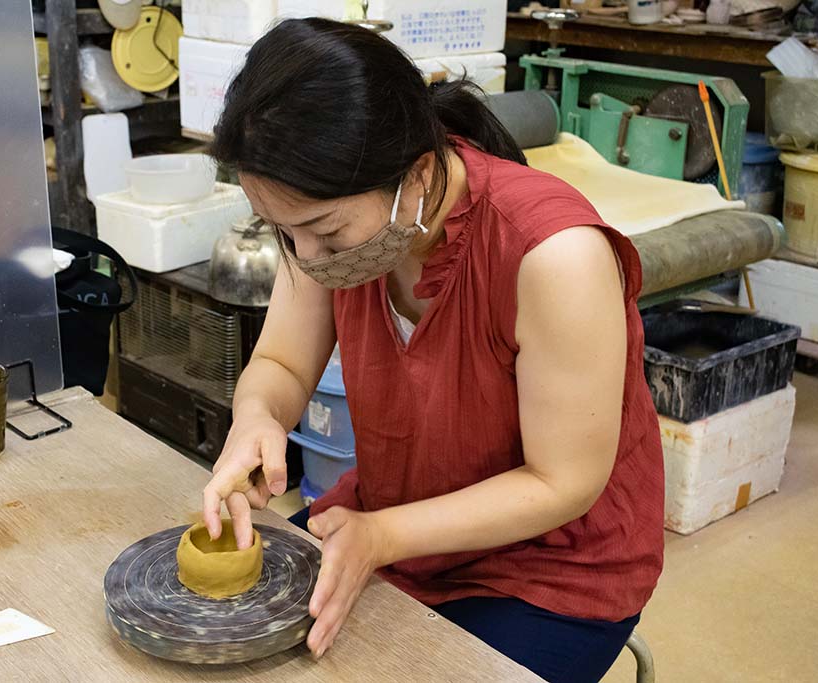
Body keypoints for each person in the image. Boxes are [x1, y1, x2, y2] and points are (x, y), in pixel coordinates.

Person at [199, 18, 664, 683]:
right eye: (285, 231)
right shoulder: (330, 236)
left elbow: (562, 482)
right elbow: (280, 365)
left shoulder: (555, 256)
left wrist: (383, 535)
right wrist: (256, 419)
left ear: (416, 176)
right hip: (391, 519)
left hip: (551, 565)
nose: (305, 258)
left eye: (324, 232)